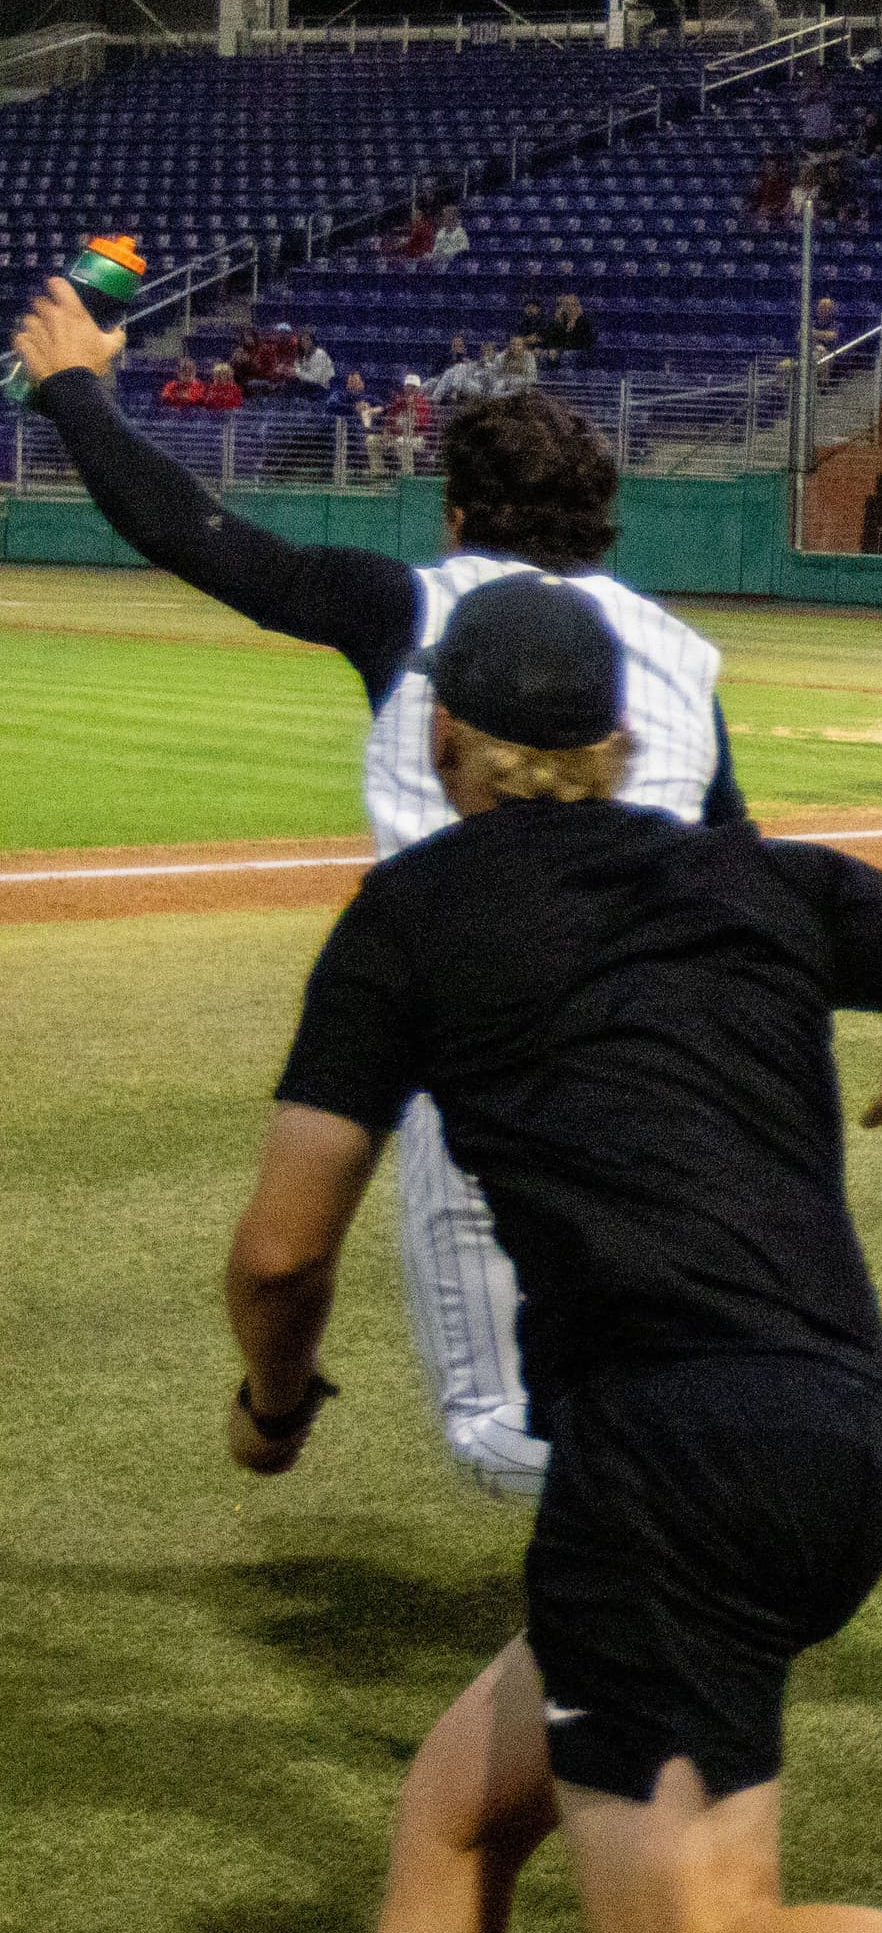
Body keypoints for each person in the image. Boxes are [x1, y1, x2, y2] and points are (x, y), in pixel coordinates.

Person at [218, 575, 882, 1933]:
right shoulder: (758, 873)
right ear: (621, 741)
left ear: (443, 738)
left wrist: (272, 1412)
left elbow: (278, 1256)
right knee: (455, 1810)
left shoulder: (414, 917)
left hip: (663, 1461)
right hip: (836, 1437)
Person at [18, 282, 737, 1497]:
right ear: (604, 519)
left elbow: (193, 533)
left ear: (454, 512)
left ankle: (700, 1512)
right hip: (679, 1061)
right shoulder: (680, 649)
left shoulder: (411, 604)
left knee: (494, 1420)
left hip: (487, 1037)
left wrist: (73, 387)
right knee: (625, 1344)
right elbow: (738, 859)